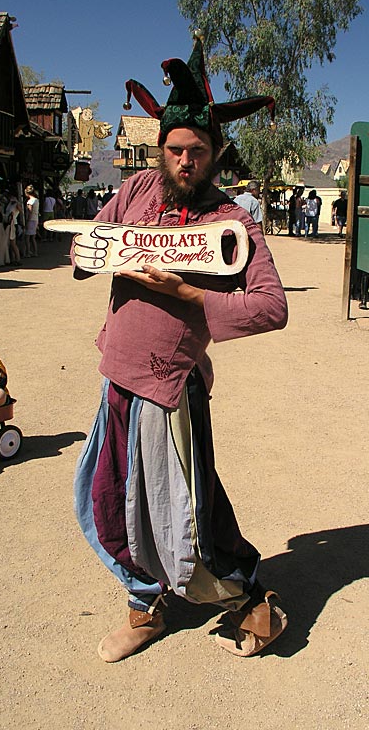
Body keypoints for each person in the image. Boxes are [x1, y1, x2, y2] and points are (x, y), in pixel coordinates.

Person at [70, 38, 288, 663]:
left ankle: (253, 603)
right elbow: (93, 248)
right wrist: (92, 255)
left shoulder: (232, 223)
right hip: (117, 378)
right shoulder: (135, 189)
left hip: (170, 391)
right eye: (175, 149)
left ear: (216, 153)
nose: (185, 160)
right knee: (112, 499)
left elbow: (272, 306)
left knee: (190, 520)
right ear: (159, 148)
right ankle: (145, 605)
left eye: (197, 150)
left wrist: (190, 294)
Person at [24, 185, 39, 257]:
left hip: (30, 220)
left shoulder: (30, 202)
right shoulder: (36, 200)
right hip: (35, 219)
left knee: (27, 237)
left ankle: (28, 252)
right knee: (33, 237)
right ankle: (35, 252)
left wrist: (27, 221)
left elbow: (30, 212)